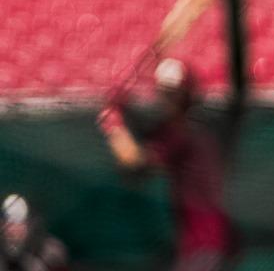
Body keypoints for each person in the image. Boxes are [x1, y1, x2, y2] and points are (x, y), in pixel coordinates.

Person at [98, 58, 237, 270]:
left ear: (184, 95)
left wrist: (113, 125)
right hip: (203, 240)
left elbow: (135, 163)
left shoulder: (182, 133)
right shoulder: (191, 129)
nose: (165, 99)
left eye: (171, 93)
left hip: (203, 242)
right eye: (164, 92)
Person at [0, 195, 66, 271]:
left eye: (19, 224)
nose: (13, 230)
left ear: (27, 225)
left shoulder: (47, 248)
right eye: (10, 225)